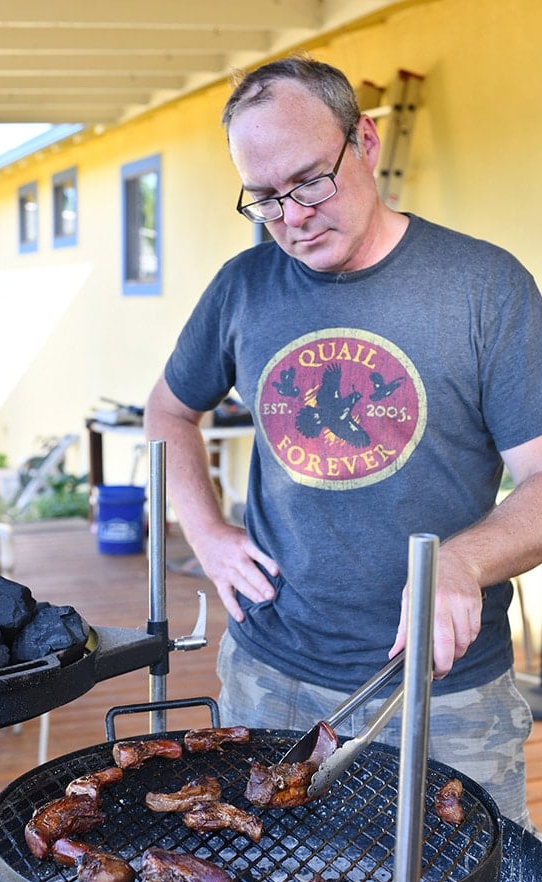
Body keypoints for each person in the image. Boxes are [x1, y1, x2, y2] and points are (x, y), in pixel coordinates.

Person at [144, 55, 542, 829]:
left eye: (308, 182)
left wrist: (462, 562)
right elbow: (167, 412)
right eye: (264, 199)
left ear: (363, 139)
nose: (292, 217)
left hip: (444, 692)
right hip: (270, 673)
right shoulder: (243, 285)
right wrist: (210, 533)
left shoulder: (485, 288)